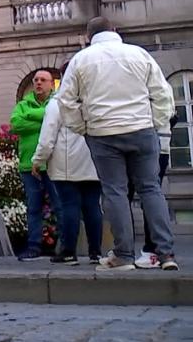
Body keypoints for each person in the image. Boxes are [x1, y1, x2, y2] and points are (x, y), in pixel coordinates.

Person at [57, 17, 177, 271]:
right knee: (151, 189)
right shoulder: (139, 54)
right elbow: (163, 93)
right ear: (115, 31)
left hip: (102, 132)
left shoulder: (80, 60)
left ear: (88, 36)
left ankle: (123, 255)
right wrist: (154, 123)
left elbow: (65, 101)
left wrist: (83, 127)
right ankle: (165, 253)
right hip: (141, 129)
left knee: (115, 192)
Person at [30, 65, 102, 266]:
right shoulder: (93, 98)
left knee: (70, 206)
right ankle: (95, 253)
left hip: (66, 164)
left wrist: (38, 160)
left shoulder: (58, 103)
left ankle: (69, 252)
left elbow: (47, 138)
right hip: (93, 161)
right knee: (93, 207)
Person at [10, 69, 63, 261]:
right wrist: (45, 119)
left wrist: (31, 116)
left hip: (52, 164)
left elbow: (59, 122)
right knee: (33, 207)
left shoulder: (57, 103)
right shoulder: (23, 104)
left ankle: (64, 246)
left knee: (60, 206)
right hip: (28, 163)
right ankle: (34, 246)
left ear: (51, 83)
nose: (39, 83)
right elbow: (16, 125)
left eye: (43, 80)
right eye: (36, 80)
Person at [132, 115, 179, 269]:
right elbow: (172, 116)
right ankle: (160, 251)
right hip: (158, 141)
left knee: (137, 194)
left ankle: (150, 251)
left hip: (142, 140)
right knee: (151, 193)